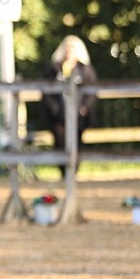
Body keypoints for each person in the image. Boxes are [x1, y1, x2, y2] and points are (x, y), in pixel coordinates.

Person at [42, 35, 98, 178]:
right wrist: (54, 109)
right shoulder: (54, 69)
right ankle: (64, 172)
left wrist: (84, 108)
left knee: (77, 143)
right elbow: (46, 91)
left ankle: (73, 171)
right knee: (60, 142)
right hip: (59, 114)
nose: (70, 53)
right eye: (67, 49)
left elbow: (92, 91)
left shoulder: (84, 69)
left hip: (79, 114)